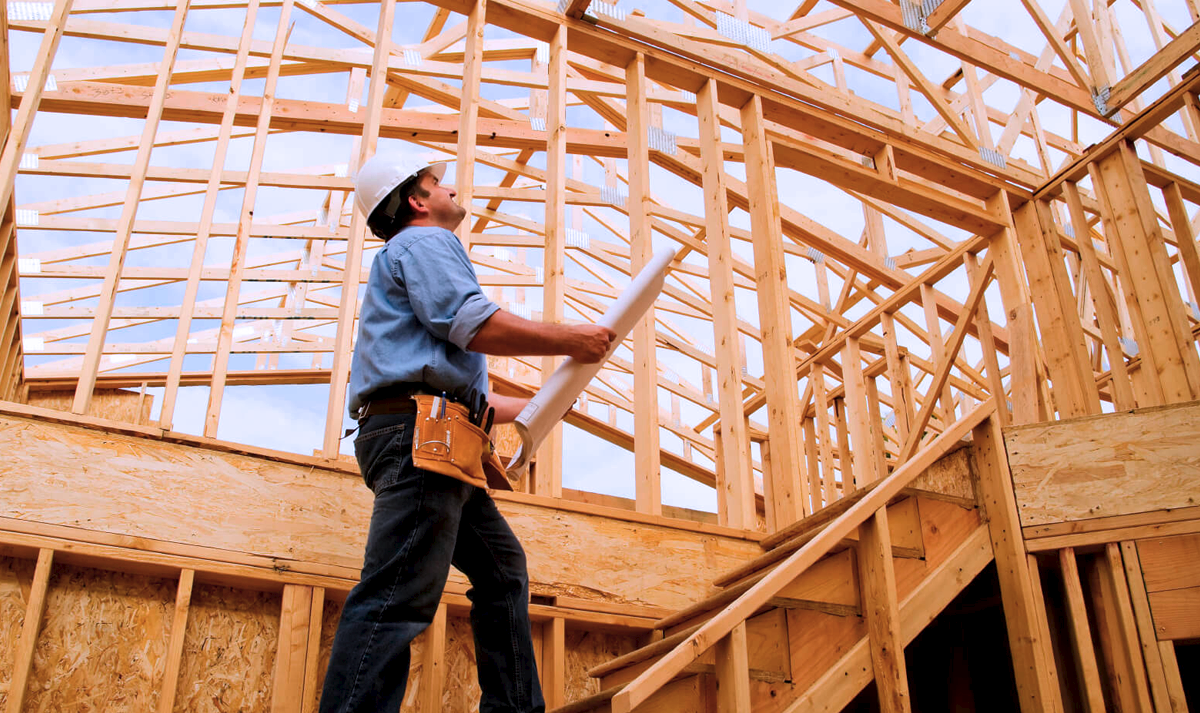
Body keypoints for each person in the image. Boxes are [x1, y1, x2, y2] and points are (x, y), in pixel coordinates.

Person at [319, 153, 616, 713]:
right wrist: (571, 341)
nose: (449, 187)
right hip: (421, 435)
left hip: (435, 433)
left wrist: (538, 405)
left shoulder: (404, 256)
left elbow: (463, 393)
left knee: (502, 571)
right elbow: (472, 323)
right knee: (398, 593)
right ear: (416, 199)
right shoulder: (425, 244)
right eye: (437, 183)